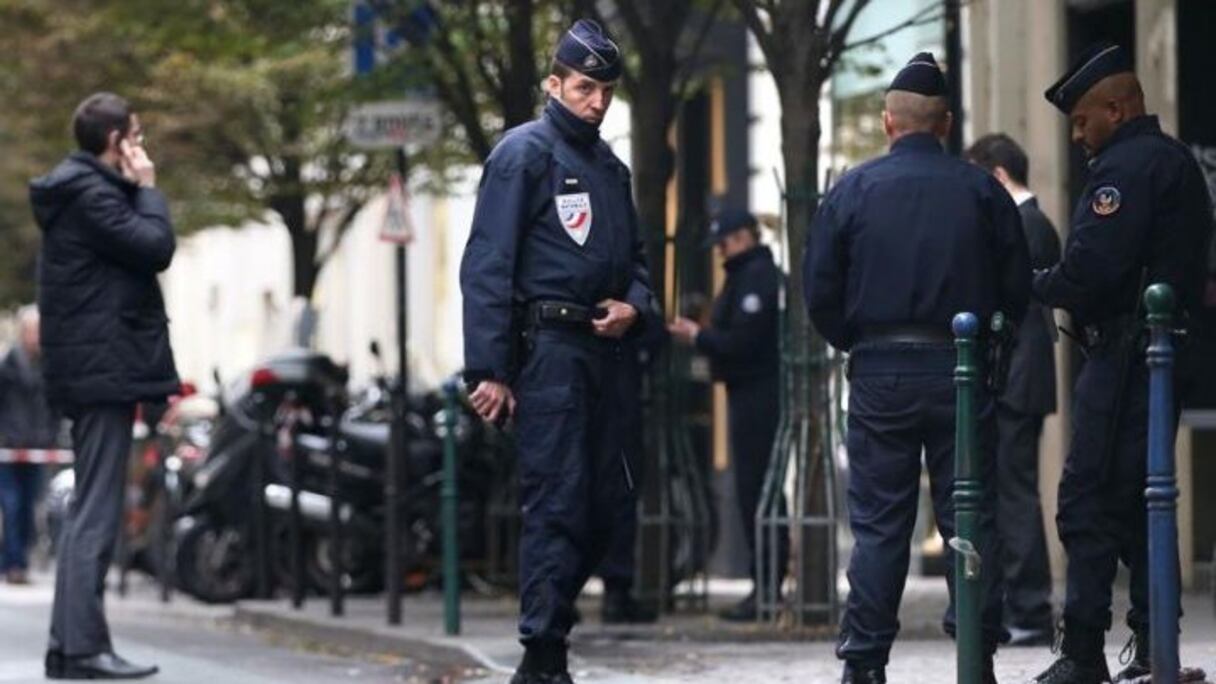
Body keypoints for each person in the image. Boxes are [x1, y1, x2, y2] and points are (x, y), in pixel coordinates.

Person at [803, 53, 1031, 684]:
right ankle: (974, 658)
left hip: (879, 371)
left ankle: (865, 664)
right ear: (946, 123)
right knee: (970, 515)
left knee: (879, 526)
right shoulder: (982, 190)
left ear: (887, 123)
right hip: (959, 370)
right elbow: (1015, 290)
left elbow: (819, 292)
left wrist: (860, 343)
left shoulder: (851, 190)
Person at [459, 20, 655, 684]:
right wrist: (488, 369)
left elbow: (637, 264)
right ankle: (543, 651)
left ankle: (549, 638)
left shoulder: (611, 169)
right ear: (555, 83)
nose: (596, 101)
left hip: (607, 356)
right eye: (584, 87)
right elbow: (488, 263)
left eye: (604, 91)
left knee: (609, 506)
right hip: (549, 354)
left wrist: (637, 304)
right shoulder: (524, 155)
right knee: (558, 501)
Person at [1030, 43, 1214, 684]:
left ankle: (1083, 651)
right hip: (1160, 354)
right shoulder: (1176, 162)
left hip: (1124, 354)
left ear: (1118, 107)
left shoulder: (1125, 170)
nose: (1078, 135)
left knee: (1087, 499)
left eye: (1084, 120)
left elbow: (1091, 270)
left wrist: (1039, 282)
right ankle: (1151, 640)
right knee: (1146, 500)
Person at [31, 92, 179, 680]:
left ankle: (71, 647)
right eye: (136, 135)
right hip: (103, 372)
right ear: (116, 141)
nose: (142, 146)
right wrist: (147, 186)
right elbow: (154, 247)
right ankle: (82, 649)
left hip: (97, 369)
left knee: (90, 507)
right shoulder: (92, 194)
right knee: (96, 510)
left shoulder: (79, 193)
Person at [667, 208, 787, 622]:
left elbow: (744, 342)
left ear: (741, 238)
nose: (720, 252)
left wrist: (700, 336)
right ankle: (765, 585)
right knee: (755, 488)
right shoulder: (746, 276)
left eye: (723, 243)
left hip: (758, 393)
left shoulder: (756, 277)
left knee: (758, 489)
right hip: (748, 391)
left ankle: (767, 587)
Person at [965, 133, 1060, 647]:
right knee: (1010, 492)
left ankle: (1030, 607)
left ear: (998, 175)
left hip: (1018, 381)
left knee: (1015, 494)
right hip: (1022, 377)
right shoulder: (1033, 223)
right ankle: (1022, 605)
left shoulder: (1027, 225)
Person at [0, 305, 61, 585]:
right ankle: (13, 564)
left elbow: (52, 408)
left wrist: (49, 437)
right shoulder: (8, 366)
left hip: (36, 447)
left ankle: (17, 560)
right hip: (9, 448)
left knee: (26, 508)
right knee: (11, 507)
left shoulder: (47, 365)